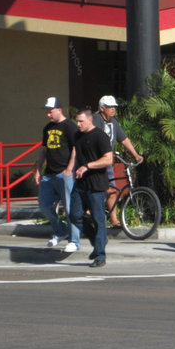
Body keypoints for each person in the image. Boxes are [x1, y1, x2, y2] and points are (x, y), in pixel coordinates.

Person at [67, 109, 113, 267]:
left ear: (90, 120)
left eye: (81, 121)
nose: (78, 124)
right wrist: (71, 168)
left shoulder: (100, 136)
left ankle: (100, 255)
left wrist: (88, 166)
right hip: (80, 184)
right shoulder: (78, 136)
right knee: (74, 215)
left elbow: (108, 159)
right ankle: (97, 239)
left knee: (98, 219)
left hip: (96, 185)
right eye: (77, 121)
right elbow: (75, 153)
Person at [92, 95, 143, 228]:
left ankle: (114, 220)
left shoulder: (113, 122)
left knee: (112, 190)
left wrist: (136, 155)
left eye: (114, 107)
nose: (113, 109)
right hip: (96, 161)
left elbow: (124, 139)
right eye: (110, 107)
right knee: (100, 189)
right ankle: (89, 209)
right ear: (102, 109)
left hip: (107, 161)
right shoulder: (96, 120)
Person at [34, 97, 78, 249]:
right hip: (49, 174)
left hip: (64, 173)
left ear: (59, 110)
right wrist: (39, 169)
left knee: (69, 208)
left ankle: (74, 241)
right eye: (47, 112)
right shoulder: (47, 128)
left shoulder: (69, 127)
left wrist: (69, 168)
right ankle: (60, 231)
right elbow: (44, 149)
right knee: (44, 204)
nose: (48, 115)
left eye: (50, 111)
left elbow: (76, 148)